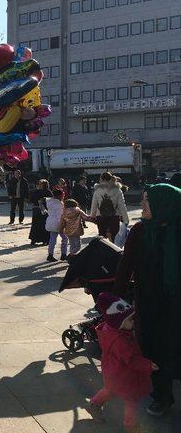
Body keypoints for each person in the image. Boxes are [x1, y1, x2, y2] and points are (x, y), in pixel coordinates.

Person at [114, 184, 181, 418]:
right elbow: (125, 266)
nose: (142, 205)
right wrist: (115, 299)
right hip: (151, 304)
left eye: (146, 201)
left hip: (176, 304)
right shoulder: (140, 231)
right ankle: (162, 396)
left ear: (164, 205)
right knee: (154, 350)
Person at [86, 293, 157, 433]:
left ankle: (94, 405)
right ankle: (131, 426)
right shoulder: (120, 340)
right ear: (118, 322)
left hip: (112, 371)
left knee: (110, 390)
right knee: (131, 400)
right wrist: (148, 365)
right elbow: (131, 359)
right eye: (130, 320)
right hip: (123, 374)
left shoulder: (109, 330)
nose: (133, 322)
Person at [90, 172, 129, 242]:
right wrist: (126, 219)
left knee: (102, 237)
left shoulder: (98, 190)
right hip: (114, 217)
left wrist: (92, 216)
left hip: (101, 217)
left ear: (102, 179)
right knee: (115, 237)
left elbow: (94, 204)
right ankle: (114, 251)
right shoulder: (117, 190)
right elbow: (122, 205)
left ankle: (103, 251)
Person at [45, 189, 67, 262]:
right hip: (58, 223)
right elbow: (60, 216)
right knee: (65, 238)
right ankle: (63, 254)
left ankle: (50, 254)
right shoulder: (59, 204)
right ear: (60, 196)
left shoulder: (49, 202)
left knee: (52, 239)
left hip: (50, 221)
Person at [29, 179, 52, 246]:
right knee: (35, 225)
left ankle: (45, 240)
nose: (39, 185)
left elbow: (51, 199)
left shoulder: (48, 191)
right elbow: (31, 199)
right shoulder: (36, 191)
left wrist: (44, 200)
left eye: (41, 184)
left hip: (45, 210)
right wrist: (37, 201)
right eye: (39, 184)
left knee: (44, 225)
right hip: (37, 209)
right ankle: (34, 239)